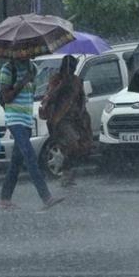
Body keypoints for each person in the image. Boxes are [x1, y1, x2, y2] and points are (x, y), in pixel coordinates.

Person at [0, 58, 64, 210]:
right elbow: (6, 97)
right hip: (14, 119)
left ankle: (4, 198)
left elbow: (33, 92)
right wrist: (22, 82)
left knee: (16, 161)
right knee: (30, 156)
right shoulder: (8, 69)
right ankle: (46, 197)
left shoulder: (32, 67)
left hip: (27, 119)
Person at [40, 55, 93, 186]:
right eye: (69, 67)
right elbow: (49, 98)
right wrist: (62, 86)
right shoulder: (56, 80)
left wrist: (82, 114)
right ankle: (67, 172)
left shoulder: (77, 81)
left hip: (76, 119)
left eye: (73, 68)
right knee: (72, 143)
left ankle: (69, 172)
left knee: (80, 147)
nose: (71, 70)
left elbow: (81, 99)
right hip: (61, 119)